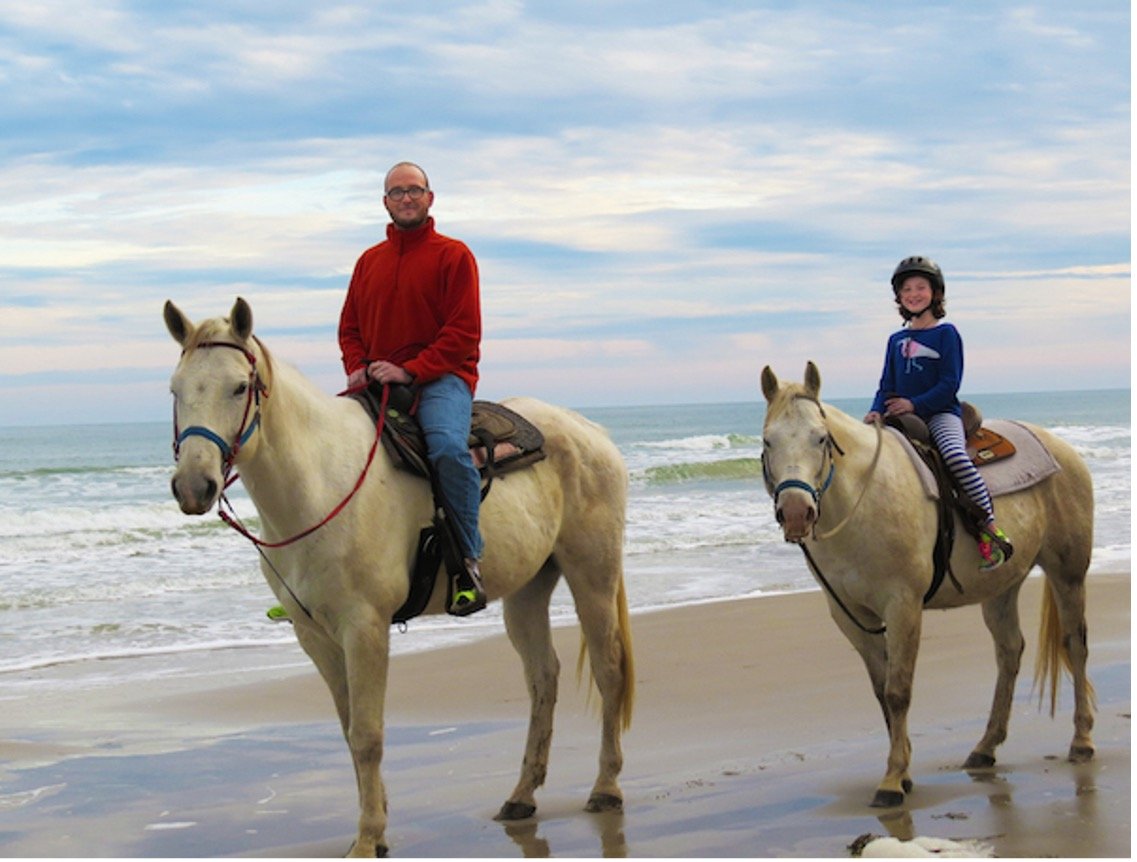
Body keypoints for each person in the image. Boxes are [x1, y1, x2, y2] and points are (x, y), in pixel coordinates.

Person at [338, 161, 486, 615]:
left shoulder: (454, 256)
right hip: (378, 380)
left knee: (446, 450)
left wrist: (411, 370)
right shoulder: (368, 262)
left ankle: (467, 563)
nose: (406, 198)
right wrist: (357, 366)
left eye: (414, 190)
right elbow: (350, 327)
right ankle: (317, 577)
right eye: (397, 192)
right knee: (329, 450)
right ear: (385, 202)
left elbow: (463, 332)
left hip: (442, 380)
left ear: (430, 198)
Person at [864, 256, 1013, 571]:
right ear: (899, 297)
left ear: (935, 293)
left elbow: (949, 384)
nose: (914, 293)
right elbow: (886, 384)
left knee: (956, 458)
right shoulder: (895, 340)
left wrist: (914, 404)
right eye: (907, 289)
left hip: (939, 413)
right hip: (900, 416)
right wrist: (876, 411)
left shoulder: (946, 334)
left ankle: (990, 529)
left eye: (921, 287)